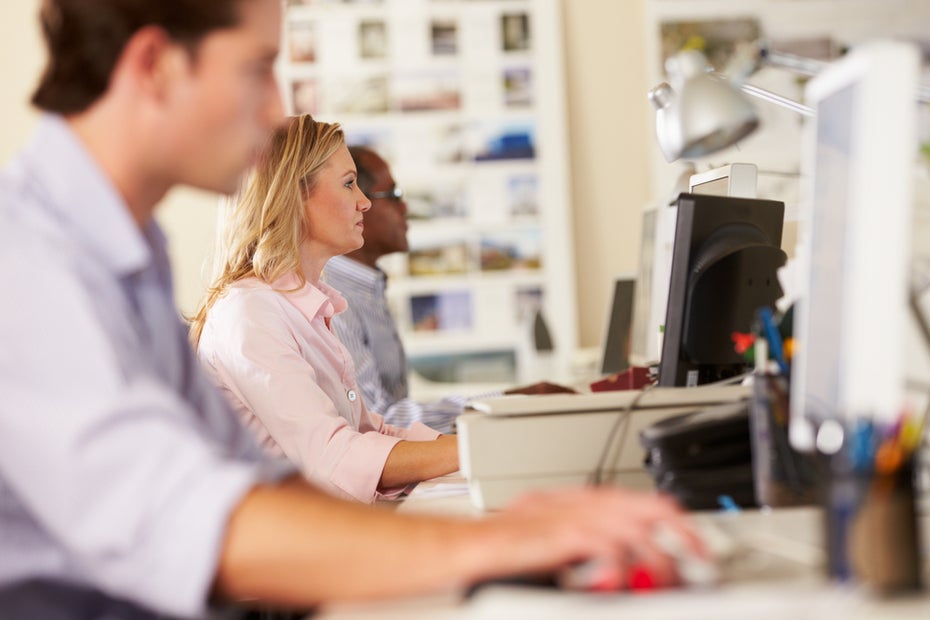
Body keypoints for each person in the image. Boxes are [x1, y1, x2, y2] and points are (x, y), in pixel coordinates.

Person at [0, 0, 704, 617]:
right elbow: (192, 523)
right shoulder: (28, 266)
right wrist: (504, 539)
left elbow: (263, 485)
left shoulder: (128, 256)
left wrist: (526, 507)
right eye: (257, 67)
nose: (275, 109)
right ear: (155, 63)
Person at [189, 116, 458, 504]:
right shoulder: (249, 312)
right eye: (349, 184)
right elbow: (333, 458)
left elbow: (370, 432)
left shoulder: (304, 305)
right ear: (293, 195)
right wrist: (472, 451)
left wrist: (476, 445)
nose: (364, 201)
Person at [326, 145, 574, 434]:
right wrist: (504, 403)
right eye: (393, 196)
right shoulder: (336, 299)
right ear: (359, 206)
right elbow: (377, 419)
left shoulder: (367, 289)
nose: (405, 208)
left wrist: (504, 403)